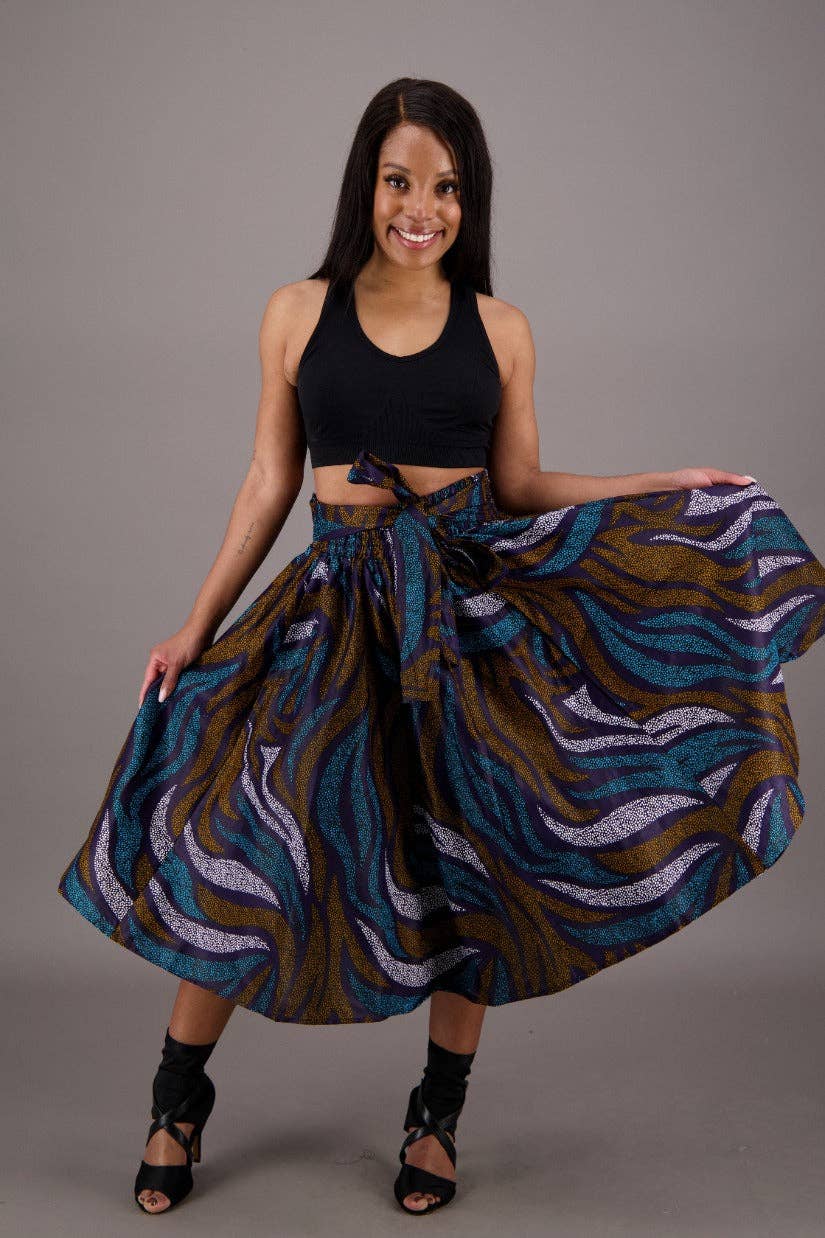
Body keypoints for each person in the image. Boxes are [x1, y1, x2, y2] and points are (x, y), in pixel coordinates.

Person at [56, 76, 825, 1219]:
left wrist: (664, 482)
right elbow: (268, 480)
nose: (422, 208)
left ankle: (436, 1115)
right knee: (247, 846)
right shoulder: (296, 311)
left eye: (447, 187)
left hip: (463, 623)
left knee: (474, 859)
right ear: (365, 185)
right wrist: (195, 623)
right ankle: (177, 1097)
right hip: (331, 619)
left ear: (472, 199)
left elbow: (520, 485)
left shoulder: (501, 329)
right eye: (400, 181)